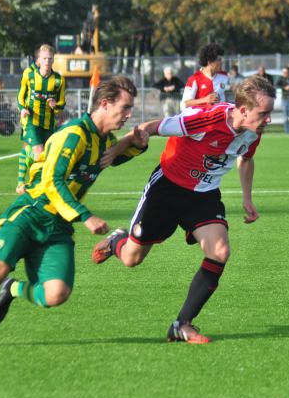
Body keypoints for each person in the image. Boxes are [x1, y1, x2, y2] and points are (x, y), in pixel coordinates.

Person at [0, 77, 149, 350]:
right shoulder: (73, 134)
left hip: (58, 228)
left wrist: (139, 143)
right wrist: (85, 216)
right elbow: (53, 182)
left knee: (57, 294)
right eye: (125, 108)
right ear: (105, 103)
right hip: (30, 215)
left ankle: (14, 288)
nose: (128, 114)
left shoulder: (102, 140)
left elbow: (114, 154)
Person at [90, 75, 276, 344]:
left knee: (220, 251)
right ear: (244, 110)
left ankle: (182, 324)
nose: (268, 119)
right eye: (264, 113)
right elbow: (150, 127)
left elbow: (246, 159)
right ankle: (118, 240)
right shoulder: (207, 119)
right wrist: (116, 149)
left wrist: (247, 198)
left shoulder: (252, 132)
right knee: (132, 258)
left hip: (203, 195)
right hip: (167, 189)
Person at [16, 44, 67, 194]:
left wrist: (55, 105)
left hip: (48, 124)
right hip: (31, 120)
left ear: (53, 60)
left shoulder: (58, 81)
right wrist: (22, 109)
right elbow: (20, 95)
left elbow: (62, 104)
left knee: (42, 154)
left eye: (50, 59)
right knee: (38, 151)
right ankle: (32, 185)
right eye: (44, 58)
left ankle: (21, 183)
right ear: (39, 59)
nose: (47, 61)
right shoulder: (29, 75)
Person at [181, 43, 230, 110]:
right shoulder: (194, 79)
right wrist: (205, 100)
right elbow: (186, 103)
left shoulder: (224, 76)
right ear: (209, 62)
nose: (222, 62)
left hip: (219, 117)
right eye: (219, 60)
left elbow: (224, 95)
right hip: (201, 118)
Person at [275, 66, 289, 134]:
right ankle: (287, 132)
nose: (285, 74)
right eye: (284, 72)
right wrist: (284, 87)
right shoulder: (281, 78)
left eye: (286, 72)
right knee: (285, 117)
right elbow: (276, 85)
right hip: (284, 100)